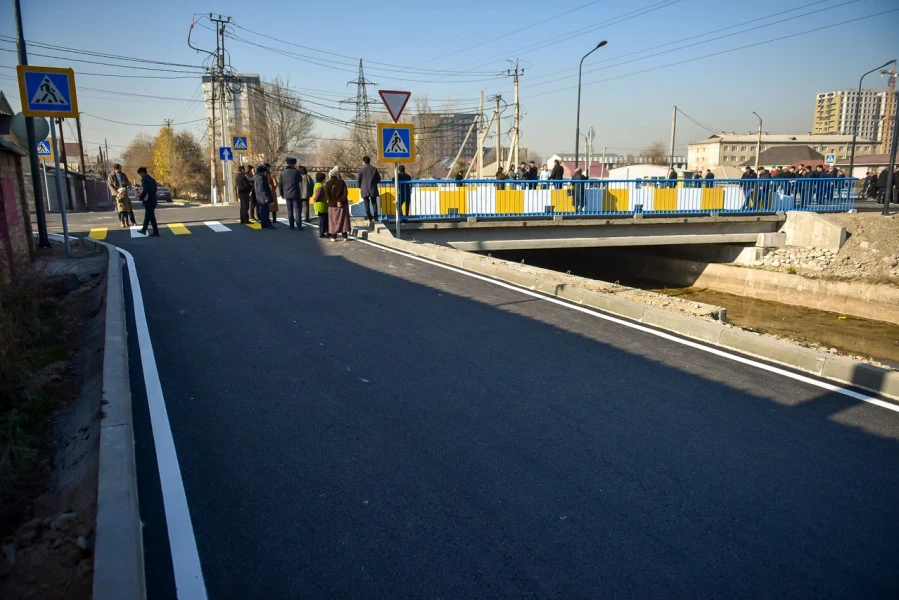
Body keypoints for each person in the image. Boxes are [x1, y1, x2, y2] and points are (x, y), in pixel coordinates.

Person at [278, 157, 305, 230]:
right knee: (297, 209)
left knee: (290, 210)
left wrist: (281, 193)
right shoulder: (296, 172)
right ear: (294, 164)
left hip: (286, 193)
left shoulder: (283, 173)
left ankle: (291, 225)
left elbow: (280, 184)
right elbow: (300, 180)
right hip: (295, 193)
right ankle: (299, 225)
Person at [326, 168, 350, 241]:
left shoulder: (328, 183)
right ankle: (345, 235)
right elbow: (345, 193)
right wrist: (340, 201)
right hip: (343, 204)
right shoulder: (342, 182)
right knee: (344, 220)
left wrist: (334, 201)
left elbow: (328, 195)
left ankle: (333, 236)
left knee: (333, 220)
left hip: (332, 205)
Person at [107, 164, 134, 228]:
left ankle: (127, 221)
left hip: (124, 193)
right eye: (120, 168)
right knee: (120, 208)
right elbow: (110, 185)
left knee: (127, 207)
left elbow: (128, 182)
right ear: (116, 169)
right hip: (116, 194)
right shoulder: (111, 176)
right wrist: (117, 192)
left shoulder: (123, 175)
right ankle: (122, 221)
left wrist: (126, 184)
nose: (121, 170)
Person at [136, 167, 160, 236]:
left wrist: (140, 197)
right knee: (148, 215)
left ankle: (156, 231)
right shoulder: (152, 179)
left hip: (148, 200)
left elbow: (145, 190)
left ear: (142, 172)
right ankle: (144, 229)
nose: (140, 175)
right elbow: (155, 189)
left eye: (140, 174)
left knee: (151, 216)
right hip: (153, 199)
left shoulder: (145, 180)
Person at [357, 156, 381, 223]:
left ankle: (370, 217)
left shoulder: (360, 170)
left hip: (364, 189)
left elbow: (358, 180)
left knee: (366, 204)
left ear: (363, 162)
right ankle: (375, 217)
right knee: (374, 203)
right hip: (373, 188)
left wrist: (359, 187)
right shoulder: (374, 169)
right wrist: (374, 182)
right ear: (369, 161)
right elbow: (378, 179)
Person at [254, 164, 275, 229]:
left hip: (259, 197)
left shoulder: (256, 177)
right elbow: (262, 188)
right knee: (265, 211)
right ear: (263, 172)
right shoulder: (261, 178)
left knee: (263, 210)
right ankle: (267, 224)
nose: (266, 173)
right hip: (263, 197)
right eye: (265, 172)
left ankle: (264, 224)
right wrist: (266, 197)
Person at [311, 172, 329, 238]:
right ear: (323, 179)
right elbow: (319, 195)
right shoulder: (320, 186)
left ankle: (325, 232)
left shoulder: (316, 184)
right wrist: (315, 199)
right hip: (321, 206)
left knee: (323, 220)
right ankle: (321, 233)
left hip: (320, 206)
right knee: (322, 220)